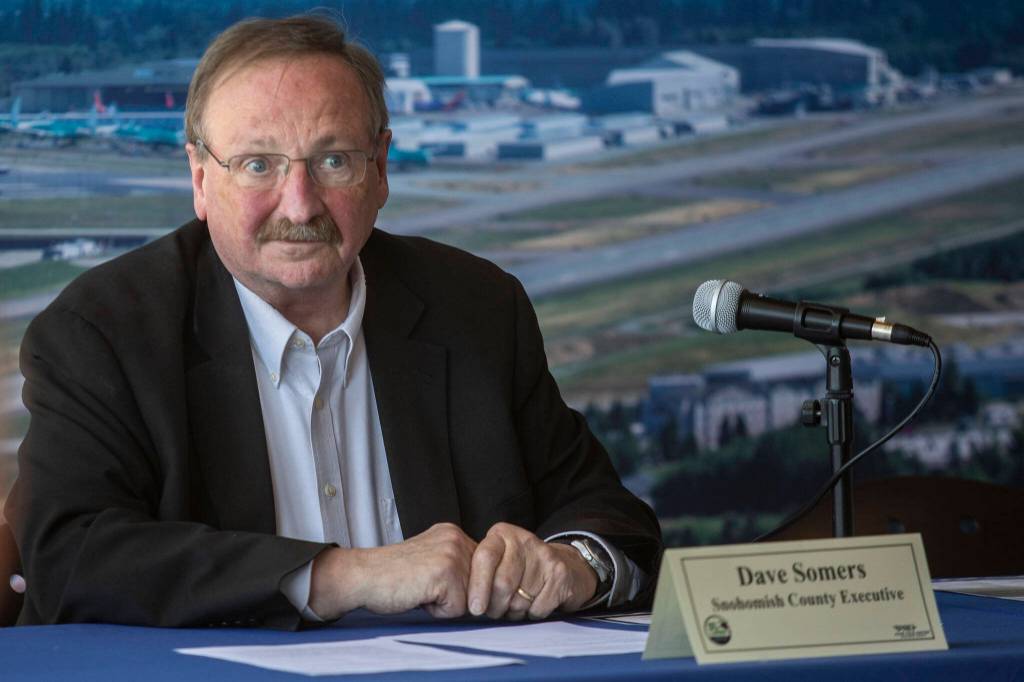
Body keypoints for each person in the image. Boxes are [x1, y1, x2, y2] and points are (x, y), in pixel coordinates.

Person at [5, 15, 661, 629]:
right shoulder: (102, 333)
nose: (299, 203)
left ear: (380, 169)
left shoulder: (477, 308)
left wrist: (577, 565)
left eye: (333, 161)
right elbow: (71, 558)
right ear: (201, 179)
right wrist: (343, 574)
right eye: (258, 164)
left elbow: (606, 514)